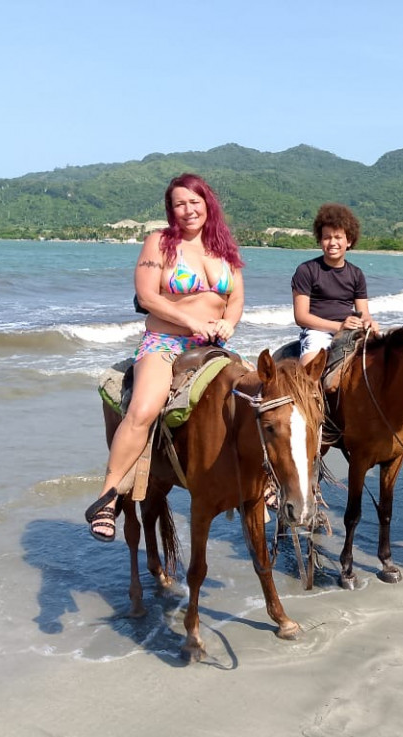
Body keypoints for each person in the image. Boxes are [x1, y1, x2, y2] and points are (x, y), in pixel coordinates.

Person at [84, 173, 245, 542]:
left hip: (213, 345)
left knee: (259, 399)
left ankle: (265, 480)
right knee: (144, 409)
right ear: (170, 210)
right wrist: (189, 320)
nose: (187, 210)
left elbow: (235, 299)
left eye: (194, 202)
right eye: (178, 204)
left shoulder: (224, 247)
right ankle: (107, 497)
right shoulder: (159, 243)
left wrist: (229, 324)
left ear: (207, 203)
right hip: (166, 342)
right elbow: (147, 297)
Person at [291, 203, 379, 366]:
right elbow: (301, 317)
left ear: (349, 241)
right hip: (318, 332)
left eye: (338, 237)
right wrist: (339, 326)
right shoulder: (306, 270)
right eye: (327, 237)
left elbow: (363, 312)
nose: (332, 242)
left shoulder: (356, 274)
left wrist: (369, 322)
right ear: (320, 240)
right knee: (310, 372)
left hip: (351, 331)